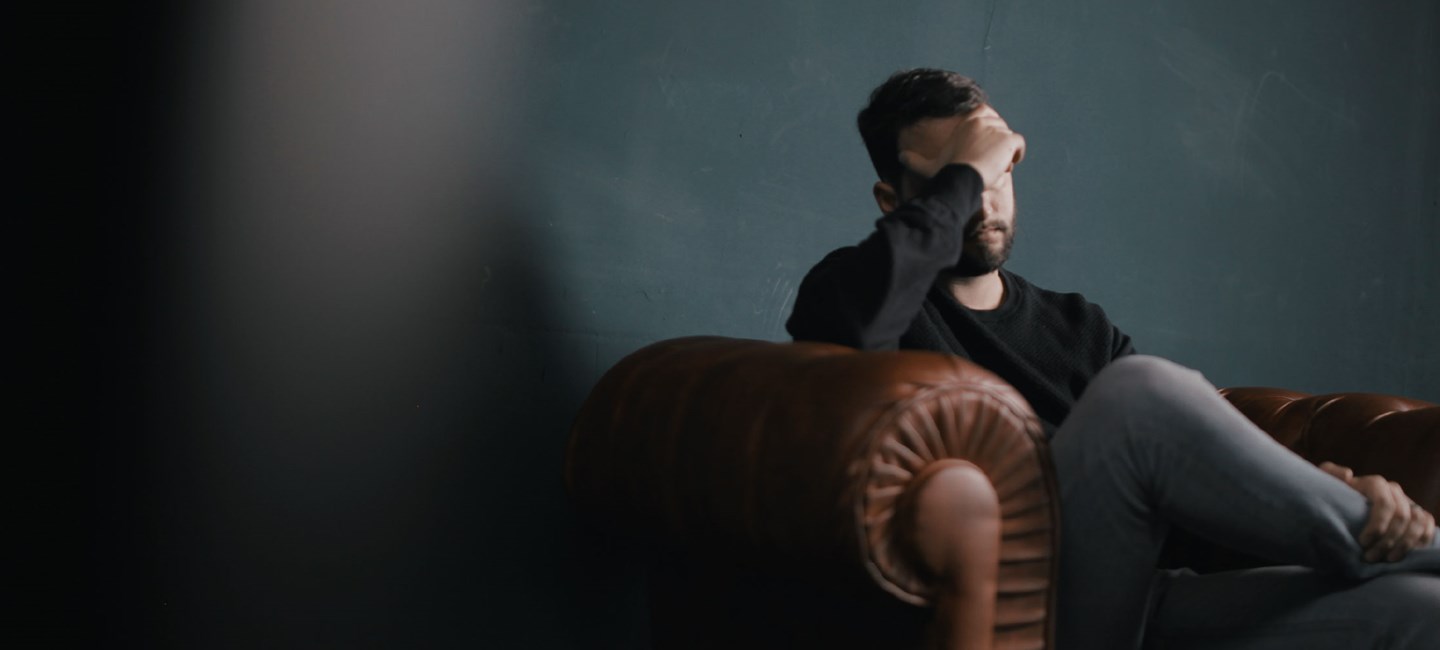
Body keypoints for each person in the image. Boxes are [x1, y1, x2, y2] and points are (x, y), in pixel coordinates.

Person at [786, 68, 1440, 649]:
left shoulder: (1078, 326)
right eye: (959, 180)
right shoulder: (854, 293)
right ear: (893, 201)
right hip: (1022, 614)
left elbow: (1186, 500)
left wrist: (1332, 489)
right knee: (1139, 392)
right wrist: (968, 168)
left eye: (999, 171)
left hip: (1139, 604)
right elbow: (848, 334)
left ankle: (1388, 546)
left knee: (1418, 609)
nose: (985, 199)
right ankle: (1399, 547)